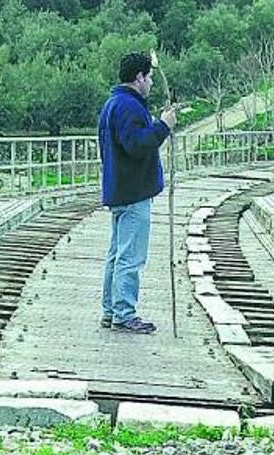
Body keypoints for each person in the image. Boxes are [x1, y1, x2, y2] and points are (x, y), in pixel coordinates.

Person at [98, 51, 177, 334]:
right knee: (130, 257)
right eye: (150, 77)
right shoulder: (129, 107)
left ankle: (110, 310)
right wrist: (163, 126)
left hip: (118, 190)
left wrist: (155, 124)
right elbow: (137, 145)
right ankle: (124, 313)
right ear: (139, 77)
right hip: (133, 192)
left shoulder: (112, 104)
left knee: (116, 255)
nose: (152, 83)